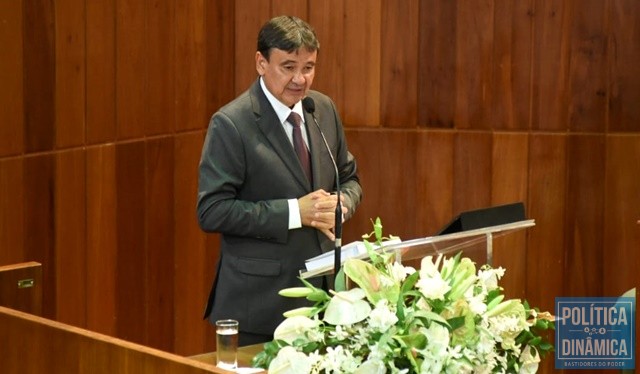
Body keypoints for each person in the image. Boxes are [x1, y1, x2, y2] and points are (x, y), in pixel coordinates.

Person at [197, 15, 363, 346]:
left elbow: (350, 178)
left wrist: (341, 204)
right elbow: (212, 210)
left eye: (309, 67)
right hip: (258, 305)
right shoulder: (232, 123)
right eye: (288, 67)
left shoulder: (322, 110)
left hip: (322, 300)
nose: (300, 79)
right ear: (261, 63)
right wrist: (293, 212)